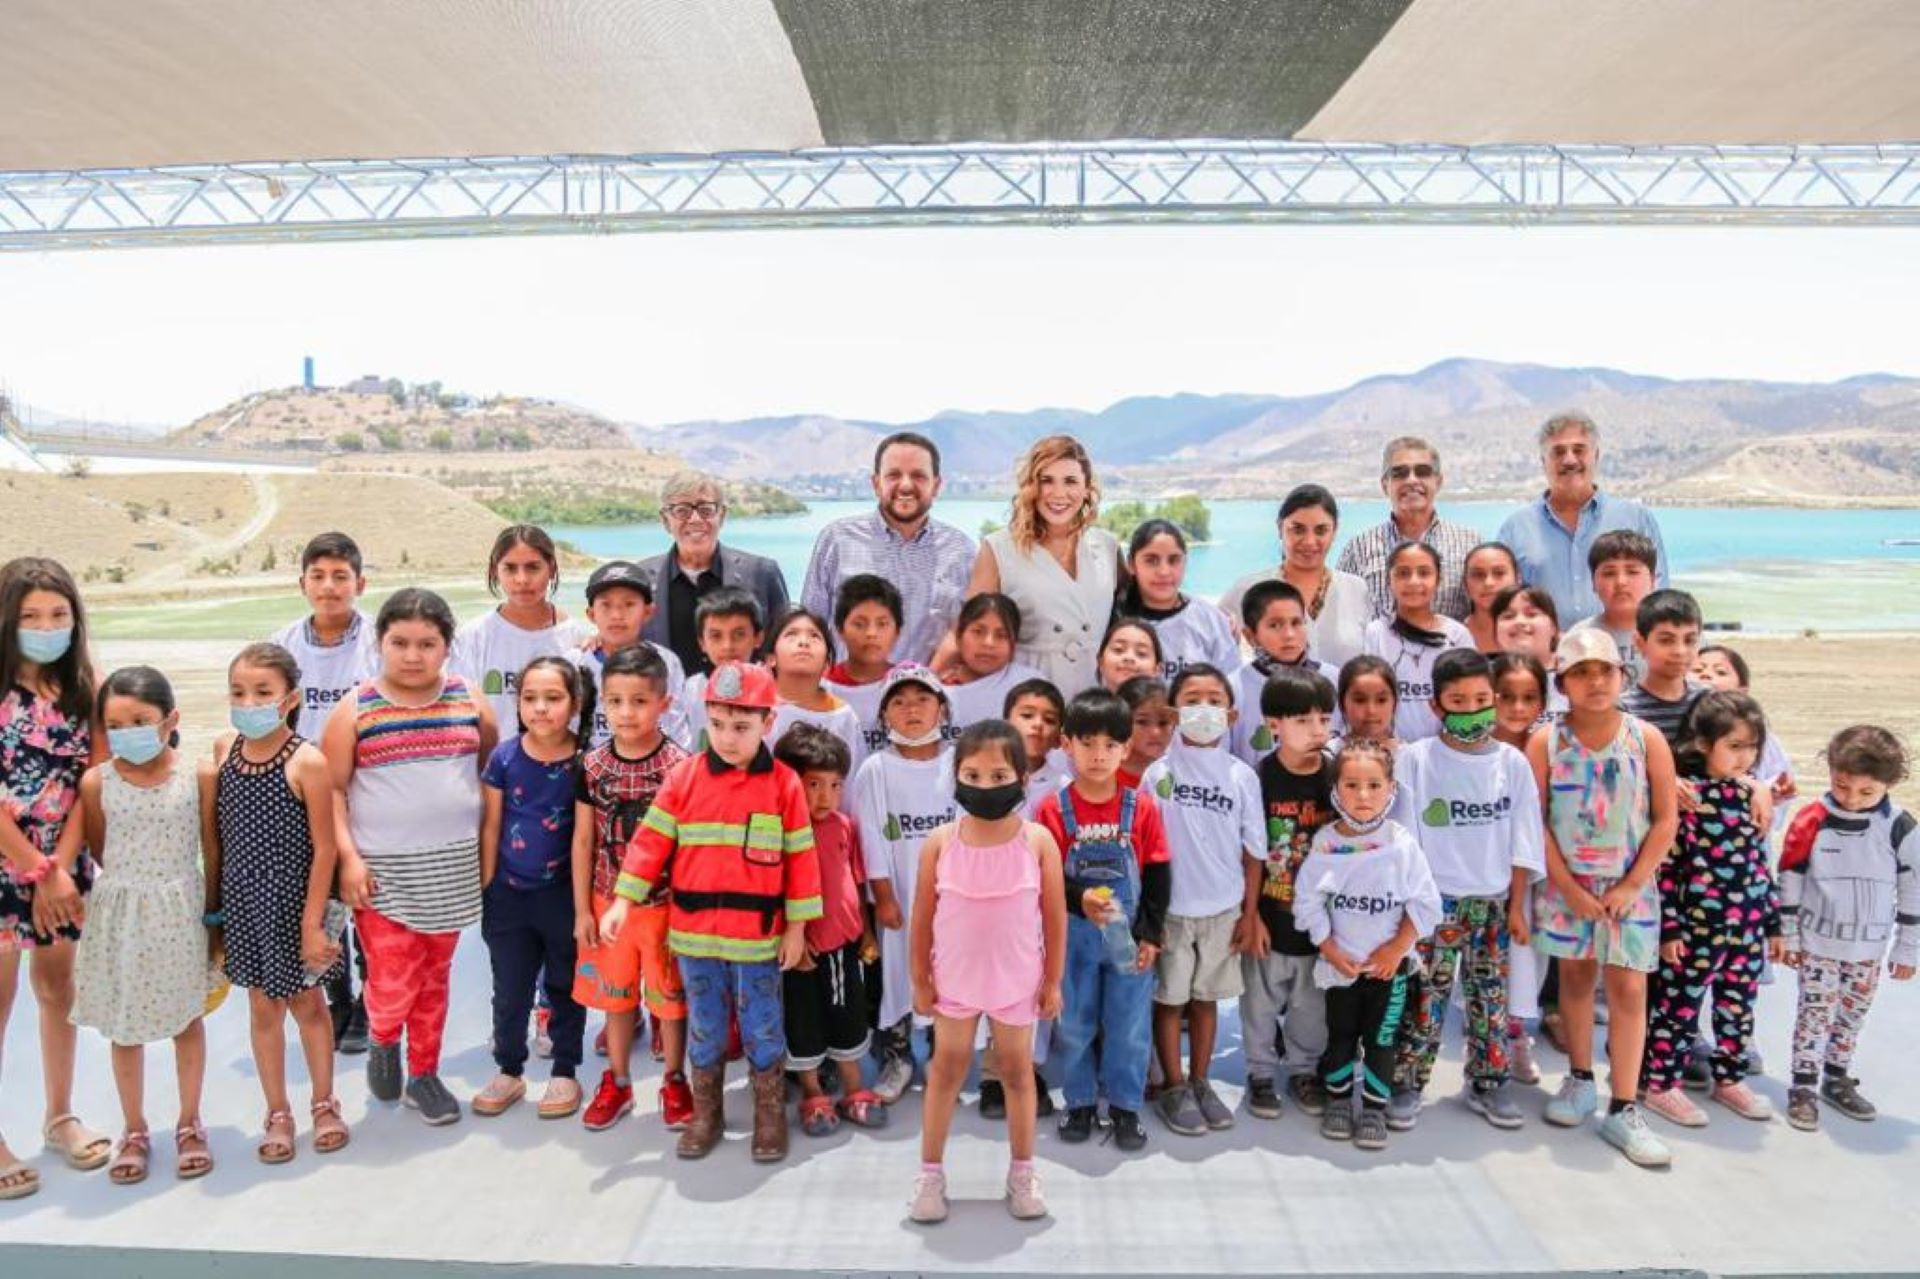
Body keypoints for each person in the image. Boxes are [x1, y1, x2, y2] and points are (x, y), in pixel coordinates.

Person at [599, 661, 823, 1163]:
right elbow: (650, 842)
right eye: (717, 724)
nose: (727, 737)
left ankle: (769, 1116)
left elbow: (802, 859)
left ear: (768, 723)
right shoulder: (684, 777)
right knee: (705, 1024)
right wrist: (622, 901)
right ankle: (707, 1113)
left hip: (758, 937)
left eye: (741, 727)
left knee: (763, 1023)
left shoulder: (784, 785)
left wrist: (798, 926)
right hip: (695, 937)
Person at [324, 588, 497, 1127]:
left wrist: (487, 855)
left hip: (449, 871)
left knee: (435, 978)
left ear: (448, 647)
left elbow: (491, 778)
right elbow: (332, 791)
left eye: (427, 643)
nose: (413, 654)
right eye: (399, 642)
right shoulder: (357, 707)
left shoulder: (469, 699)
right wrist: (349, 860)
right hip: (383, 875)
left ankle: (423, 1074)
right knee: (394, 977)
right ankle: (382, 1037)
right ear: (381, 644)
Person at [1526, 629, 1677, 1169]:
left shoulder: (1645, 739)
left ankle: (1625, 1104)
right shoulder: (1547, 741)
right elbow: (1536, 820)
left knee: (1630, 989)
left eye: (1604, 671)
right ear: (1562, 682)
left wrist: (1631, 886)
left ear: (1621, 676)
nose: (1594, 682)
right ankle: (1580, 1078)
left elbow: (1665, 820)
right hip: (1567, 887)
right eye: (1581, 673)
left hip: (1628, 888)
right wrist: (1567, 886)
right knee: (1573, 979)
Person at [909, 721, 1066, 1225]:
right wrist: (919, 979)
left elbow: (1055, 918)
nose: (984, 784)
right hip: (954, 983)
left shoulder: (1038, 841)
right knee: (948, 1071)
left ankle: (1023, 1173)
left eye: (998, 774)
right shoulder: (940, 842)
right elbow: (922, 917)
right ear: (956, 777)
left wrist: (1053, 981)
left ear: (1022, 779)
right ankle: (930, 1174)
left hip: (1016, 983)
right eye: (972, 774)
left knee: (1019, 1075)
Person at [70, 666, 217, 1184]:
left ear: (169, 719)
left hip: (180, 913)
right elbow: (100, 848)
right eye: (116, 723)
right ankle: (134, 1128)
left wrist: (215, 920)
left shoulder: (197, 775)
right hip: (122, 917)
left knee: (186, 1020)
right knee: (126, 1028)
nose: (127, 731)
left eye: (140, 720)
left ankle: (189, 1121)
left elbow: (210, 849)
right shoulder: (96, 781)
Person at [1389, 649, 1544, 1132]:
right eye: (1459, 701)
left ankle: (1488, 1083)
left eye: (1482, 699)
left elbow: (1524, 840)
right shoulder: (1417, 761)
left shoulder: (1512, 764)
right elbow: (1405, 840)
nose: (1473, 710)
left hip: (1493, 905)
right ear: (1436, 706)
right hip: (1435, 905)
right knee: (1425, 997)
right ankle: (1409, 1082)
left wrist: (1517, 906)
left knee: (1489, 998)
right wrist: (1410, 912)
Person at [209, 643, 349, 1162]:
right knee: (261, 1007)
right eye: (239, 692)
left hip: (294, 903)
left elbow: (326, 848)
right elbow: (219, 840)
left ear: (290, 699)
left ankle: (324, 1101)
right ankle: (277, 1110)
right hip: (244, 902)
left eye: (262, 693)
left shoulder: (306, 761)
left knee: (308, 1005)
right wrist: (217, 918)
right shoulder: (225, 751)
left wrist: (313, 924)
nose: (249, 702)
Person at [0, 556, 110, 1195]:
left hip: (63, 869)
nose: (46, 627)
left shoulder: (82, 684)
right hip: (12, 862)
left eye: (58, 615)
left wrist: (61, 869)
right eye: (30, 617)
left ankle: (59, 1115)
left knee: (57, 990)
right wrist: (36, 868)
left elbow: (89, 781)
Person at [1037, 687, 1171, 1153]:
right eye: (1087, 744)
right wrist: (1079, 901)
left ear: (1126, 749)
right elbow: (1048, 875)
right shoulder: (1053, 809)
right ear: (1065, 744)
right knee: (1074, 1021)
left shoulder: (1142, 806)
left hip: (1128, 939)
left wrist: (1151, 933)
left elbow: (1157, 871)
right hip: (1073, 938)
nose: (1099, 756)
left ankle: (1124, 1105)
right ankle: (1078, 1101)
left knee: (1129, 1024)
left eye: (1111, 746)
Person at [1642, 691, 1782, 1130]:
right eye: (1734, 746)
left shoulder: (1752, 797)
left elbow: (1761, 863)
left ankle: (1730, 1078)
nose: (1745, 757)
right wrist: (1669, 931)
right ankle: (1661, 1084)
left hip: (1746, 927)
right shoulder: (1685, 799)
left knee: (1738, 1007)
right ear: (1703, 743)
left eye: (1751, 747)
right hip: (1696, 930)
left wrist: (1774, 924)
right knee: (1678, 1008)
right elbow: (1664, 870)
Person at [1294, 739, 1441, 1152]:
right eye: (1352, 784)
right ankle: (1339, 1102)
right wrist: (1328, 947)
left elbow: (1426, 903)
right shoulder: (1325, 844)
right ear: (1335, 789)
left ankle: (1375, 1107)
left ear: (1391, 788)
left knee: (1381, 1039)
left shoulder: (1402, 844)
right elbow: (1308, 901)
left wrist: (1396, 948)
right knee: (1340, 1035)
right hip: (1342, 968)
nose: (1363, 796)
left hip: (1388, 971)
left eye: (1374, 785)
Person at [569, 645, 691, 1133]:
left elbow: (687, 844)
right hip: (606, 904)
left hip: (666, 909)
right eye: (615, 701)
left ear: (664, 703)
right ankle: (617, 1080)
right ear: (602, 703)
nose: (626, 712)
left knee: (671, 1001)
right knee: (616, 1000)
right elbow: (584, 840)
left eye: (639, 701)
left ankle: (675, 1079)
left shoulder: (681, 767)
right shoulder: (592, 766)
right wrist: (583, 910)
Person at [1142, 665, 1263, 1136]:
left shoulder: (1241, 777)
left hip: (1222, 911)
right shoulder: (1158, 773)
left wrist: (1249, 914)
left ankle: (1200, 1080)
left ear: (1232, 716)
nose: (1205, 709)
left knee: (1206, 1001)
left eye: (1215, 700)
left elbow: (1255, 851)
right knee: (1169, 1002)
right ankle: (1173, 1085)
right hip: (1172, 912)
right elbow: (1147, 848)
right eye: (1193, 698)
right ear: (1174, 713)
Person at [1778, 725, 1918, 1132]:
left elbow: (1913, 890)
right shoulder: (1811, 820)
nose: (1852, 799)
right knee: (1813, 1015)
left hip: (1869, 951)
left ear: (1887, 785)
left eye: (1866, 792)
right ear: (1831, 773)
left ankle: (1835, 1078)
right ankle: (1802, 1086)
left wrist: (1907, 949)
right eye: (1842, 787)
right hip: (1818, 945)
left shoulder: (1901, 828)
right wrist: (1788, 934)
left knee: (1851, 1017)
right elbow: (1789, 876)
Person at [268, 533, 377, 1054]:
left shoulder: (381, 640)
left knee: (370, 898)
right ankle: (340, 998)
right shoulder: (282, 645)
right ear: (302, 584)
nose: (330, 587)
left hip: (370, 788)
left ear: (361, 583)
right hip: (304, 794)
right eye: (319, 576)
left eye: (341, 576)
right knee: (326, 897)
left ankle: (376, 998)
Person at [474, 658, 588, 1120]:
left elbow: (585, 838)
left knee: (565, 985)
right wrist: (487, 891)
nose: (540, 709)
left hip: (562, 895)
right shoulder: (503, 757)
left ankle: (564, 1070)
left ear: (575, 704)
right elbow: (491, 828)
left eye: (553, 698)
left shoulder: (586, 760)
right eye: (529, 698)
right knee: (510, 989)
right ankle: (509, 1069)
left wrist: (584, 909)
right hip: (509, 896)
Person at [850, 665, 957, 1105]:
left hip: (951, 902)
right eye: (898, 701)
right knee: (895, 978)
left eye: (922, 699)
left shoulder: (958, 762)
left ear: (942, 709)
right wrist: (885, 899)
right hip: (898, 902)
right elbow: (872, 836)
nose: (911, 709)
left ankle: (939, 1057)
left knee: (946, 977)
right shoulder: (876, 769)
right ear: (883, 715)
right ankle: (897, 1056)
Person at [773, 725, 886, 1137]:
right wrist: (790, 939)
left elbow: (856, 882)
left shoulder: (844, 826)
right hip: (799, 949)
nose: (825, 796)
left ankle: (855, 1087)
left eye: (835, 785)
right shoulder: (779, 831)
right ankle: (812, 1092)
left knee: (847, 1014)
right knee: (803, 1022)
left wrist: (867, 934)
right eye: (813, 784)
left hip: (843, 944)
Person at [1238, 667, 1337, 1121]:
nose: (1317, 730)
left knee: (1310, 1006)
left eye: (1324, 718)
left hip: (1321, 924)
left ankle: (1303, 1070)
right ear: (1272, 724)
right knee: (1258, 1002)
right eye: (1302, 720)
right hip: (1270, 915)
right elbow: (1251, 854)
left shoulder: (1339, 777)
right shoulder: (1258, 778)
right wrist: (1251, 915)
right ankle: (1259, 1071)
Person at [801, 432, 976, 666]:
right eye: (893, 475)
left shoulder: (962, 551)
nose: (905, 485)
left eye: (918, 476)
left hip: (925, 698)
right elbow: (810, 626)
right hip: (847, 696)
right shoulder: (837, 541)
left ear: (936, 485)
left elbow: (966, 634)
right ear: (876, 483)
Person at [965, 435, 1120, 697]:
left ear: (1086, 489)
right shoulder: (998, 549)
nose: (1058, 493)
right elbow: (971, 631)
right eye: (1046, 480)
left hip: (1095, 706)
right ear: (1030, 487)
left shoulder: (1108, 546)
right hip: (1027, 702)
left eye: (1070, 481)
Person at [1497, 411, 1670, 626]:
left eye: (1579, 450)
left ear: (1595, 456)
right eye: (1558, 452)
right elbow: (1504, 602)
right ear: (1544, 462)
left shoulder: (1636, 519)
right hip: (1546, 656)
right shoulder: (1516, 528)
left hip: (1621, 655)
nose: (1569, 460)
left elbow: (1659, 594)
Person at [638, 472, 790, 677]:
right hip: (667, 705)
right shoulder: (641, 579)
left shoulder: (762, 573)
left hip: (745, 704)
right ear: (665, 520)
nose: (695, 519)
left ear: (722, 515)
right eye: (681, 511)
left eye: (706, 510)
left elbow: (784, 644)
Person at [451, 525, 591, 737]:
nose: (522, 580)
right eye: (510, 568)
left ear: (551, 568)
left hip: (563, 766)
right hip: (492, 766)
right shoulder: (473, 637)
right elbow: (459, 715)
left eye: (533, 567)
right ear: (494, 571)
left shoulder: (576, 638)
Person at [1489, 650, 1553, 1085]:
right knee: (1489, 962)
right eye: (1506, 696)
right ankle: (1490, 1034)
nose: (1516, 707)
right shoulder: (1476, 746)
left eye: (1528, 697)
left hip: (1534, 869)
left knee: (1529, 955)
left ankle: (1517, 1035)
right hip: (1483, 869)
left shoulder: (1547, 746)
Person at [1335, 437, 1486, 621]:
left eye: (1422, 472)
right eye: (1400, 473)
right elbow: (1340, 614)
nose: (1412, 480)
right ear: (1385, 485)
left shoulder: (1469, 544)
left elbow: (1484, 613)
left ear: (1438, 482)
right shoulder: (1359, 549)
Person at [1219, 484, 1370, 667]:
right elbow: (1209, 642)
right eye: (1298, 530)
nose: (1309, 541)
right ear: (1280, 528)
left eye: (1321, 530)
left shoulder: (1357, 589)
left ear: (1334, 532)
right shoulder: (1249, 588)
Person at [1360, 542, 1474, 743]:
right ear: (1389, 580)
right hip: (1392, 751)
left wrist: (1447, 746)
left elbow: (1469, 698)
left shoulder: (1457, 635)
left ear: (1438, 580)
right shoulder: (1376, 632)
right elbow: (1370, 696)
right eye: (1403, 573)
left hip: (1446, 750)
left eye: (1424, 573)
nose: (1413, 581)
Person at [572, 560, 688, 751]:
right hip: (587, 773)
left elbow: (677, 728)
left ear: (648, 612)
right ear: (591, 614)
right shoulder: (575, 661)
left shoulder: (666, 661)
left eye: (629, 604)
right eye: (606, 605)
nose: (617, 615)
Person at [1231, 580, 1339, 768]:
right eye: (1275, 625)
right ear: (1250, 635)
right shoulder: (1234, 688)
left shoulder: (1334, 679)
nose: (1289, 634)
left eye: (1296, 623)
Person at [1119, 520, 1240, 682]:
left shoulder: (1210, 619)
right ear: (1131, 564)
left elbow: (1232, 683)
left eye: (1173, 560)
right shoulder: (1112, 617)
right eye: (1151, 560)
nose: (1164, 571)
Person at [766, 606, 865, 781]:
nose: (803, 642)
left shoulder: (843, 716)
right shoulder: (756, 708)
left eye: (814, 636)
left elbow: (851, 785)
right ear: (771, 658)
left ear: (827, 664)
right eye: (792, 634)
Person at [1694, 643, 1797, 811]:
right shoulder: (1678, 723)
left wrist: (1774, 794)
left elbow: (1775, 777)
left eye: (1720, 672)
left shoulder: (1759, 734)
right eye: (1697, 670)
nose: (1706, 675)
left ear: (1742, 691)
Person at [1564, 531, 1661, 687]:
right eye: (1609, 573)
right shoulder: (1580, 636)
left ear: (1653, 580)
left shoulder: (1673, 633)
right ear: (1593, 583)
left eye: (1632, 572)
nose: (1621, 582)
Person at [676, 586, 765, 752]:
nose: (727, 646)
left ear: (758, 638)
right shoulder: (691, 689)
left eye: (739, 635)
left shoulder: (772, 689)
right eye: (716, 636)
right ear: (702, 643)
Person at [937, 594, 1042, 735]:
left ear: (1013, 645)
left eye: (1001, 635)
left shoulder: (1030, 685)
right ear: (959, 638)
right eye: (978, 632)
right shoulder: (935, 694)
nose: (989, 643)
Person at [823, 574, 903, 758]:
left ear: (897, 631)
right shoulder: (822, 686)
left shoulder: (910, 685)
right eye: (859, 624)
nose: (871, 633)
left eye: (882, 624)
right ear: (840, 629)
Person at [1619, 589, 1708, 752]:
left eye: (1690, 640)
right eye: (1666, 640)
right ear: (1639, 643)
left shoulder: (1708, 700)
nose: (1680, 651)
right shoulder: (1624, 709)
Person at [1006, 678, 1072, 818]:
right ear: (1004, 726)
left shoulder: (1064, 788)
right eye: (1027, 715)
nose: (1038, 724)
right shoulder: (981, 775)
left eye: (1049, 720)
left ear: (1058, 740)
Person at [1115, 675, 1176, 792]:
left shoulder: (1179, 774)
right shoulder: (1102, 773)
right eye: (1142, 722)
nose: (1155, 732)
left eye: (1163, 723)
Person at [1461, 543, 1522, 653]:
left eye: (1499, 573)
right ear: (1465, 583)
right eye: (1478, 575)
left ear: (1518, 579)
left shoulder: (1537, 634)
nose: (1488, 583)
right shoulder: (1451, 638)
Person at [1334, 655, 1399, 750]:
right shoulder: (1327, 755)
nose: (1371, 711)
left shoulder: (1412, 757)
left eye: (1381, 700)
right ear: (1342, 703)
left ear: (1395, 703)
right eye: (1360, 700)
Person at [1096, 617, 1163, 694]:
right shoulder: (1082, 705)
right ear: (1100, 662)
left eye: (1141, 653)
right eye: (1118, 650)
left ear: (1157, 670)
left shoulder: (1163, 706)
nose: (1129, 657)